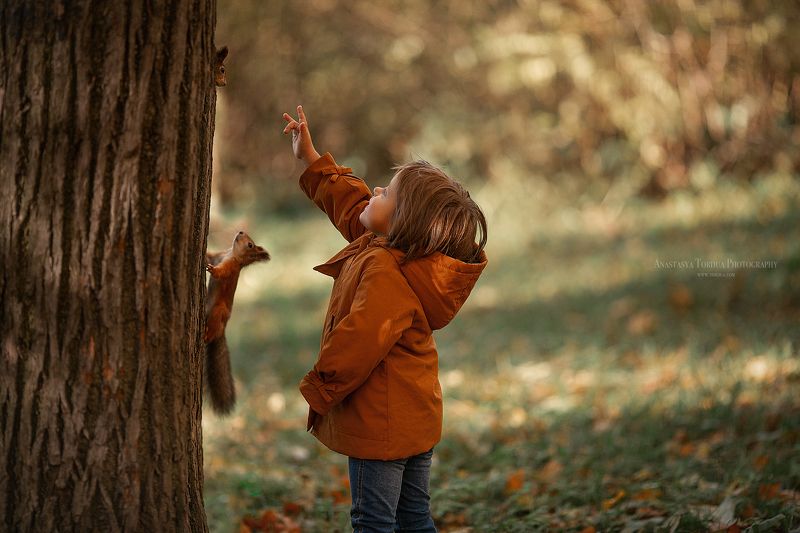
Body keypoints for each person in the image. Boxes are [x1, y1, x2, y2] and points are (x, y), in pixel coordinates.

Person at [282, 105, 488, 532]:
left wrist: (320, 386)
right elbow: (353, 204)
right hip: (415, 419)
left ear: (401, 222)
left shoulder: (384, 270)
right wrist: (312, 159)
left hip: (381, 425)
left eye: (387, 193)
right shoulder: (402, 256)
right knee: (413, 518)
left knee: (373, 522)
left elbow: (360, 339)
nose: (374, 189)